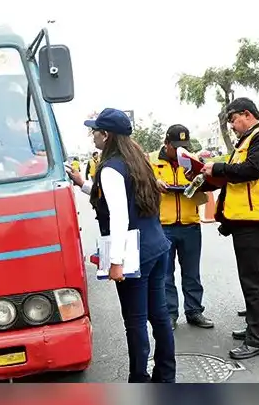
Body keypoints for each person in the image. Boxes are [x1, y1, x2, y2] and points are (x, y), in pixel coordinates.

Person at [67, 108, 177, 383]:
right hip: (156, 245)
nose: (92, 135)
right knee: (159, 315)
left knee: (136, 321)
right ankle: (166, 376)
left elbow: (119, 215)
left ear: (106, 135)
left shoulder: (110, 167)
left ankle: (139, 379)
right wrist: (84, 184)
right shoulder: (138, 160)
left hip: (133, 253)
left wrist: (116, 262)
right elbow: (121, 197)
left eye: (95, 131)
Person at [203, 97, 259, 361]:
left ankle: (258, 339)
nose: (232, 126)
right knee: (253, 279)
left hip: (256, 218)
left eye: (232, 120)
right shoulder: (247, 141)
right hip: (244, 219)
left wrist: (218, 167)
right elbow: (236, 177)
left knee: (254, 281)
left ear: (246, 114)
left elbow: (252, 169)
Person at [151, 124, 214, 330]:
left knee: (192, 272)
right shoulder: (152, 162)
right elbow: (140, 185)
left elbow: (208, 185)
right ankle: (170, 313)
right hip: (163, 226)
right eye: (176, 147)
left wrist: (201, 178)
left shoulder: (193, 161)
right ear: (166, 144)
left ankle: (194, 311)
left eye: (184, 147)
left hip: (190, 225)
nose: (180, 151)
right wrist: (155, 183)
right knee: (165, 274)